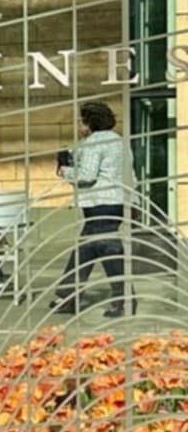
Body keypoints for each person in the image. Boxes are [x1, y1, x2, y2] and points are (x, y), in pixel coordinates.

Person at [54, 100, 134, 318]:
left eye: (81, 120)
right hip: (117, 200)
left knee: (107, 248)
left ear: (89, 122)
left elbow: (87, 175)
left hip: (99, 201)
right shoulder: (119, 141)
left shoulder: (93, 142)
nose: (79, 125)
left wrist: (65, 171)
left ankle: (123, 298)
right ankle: (68, 293)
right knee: (86, 247)